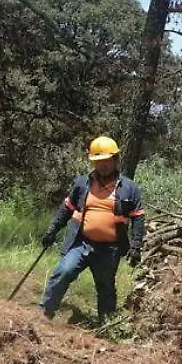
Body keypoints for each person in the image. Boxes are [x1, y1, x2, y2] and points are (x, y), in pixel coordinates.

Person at [39, 136, 145, 323]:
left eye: (106, 161)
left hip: (110, 248)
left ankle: (107, 323)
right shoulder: (82, 184)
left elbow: (138, 218)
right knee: (64, 272)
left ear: (115, 160)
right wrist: (51, 232)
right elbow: (67, 209)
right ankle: (44, 313)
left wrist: (136, 246)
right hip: (81, 243)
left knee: (105, 287)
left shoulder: (130, 188)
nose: (102, 165)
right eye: (98, 162)